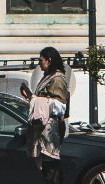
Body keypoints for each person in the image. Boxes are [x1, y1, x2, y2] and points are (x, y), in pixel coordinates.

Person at [25, 47, 71, 183]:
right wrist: (30, 96)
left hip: (50, 130)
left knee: (51, 169)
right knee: (46, 169)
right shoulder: (47, 76)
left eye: (41, 60)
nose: (39, 63)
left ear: (49, 60)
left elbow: (60, 106)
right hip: (42, 129)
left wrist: (36, 100)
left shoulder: (57, 79)